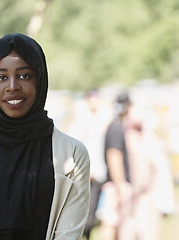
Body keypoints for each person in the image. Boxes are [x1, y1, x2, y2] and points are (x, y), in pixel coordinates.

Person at [0, 33, 90, 240]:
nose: (12, 86)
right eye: (1, 77)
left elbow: (67, 235)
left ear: (40, 80)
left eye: (24, 76)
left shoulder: (72, 155)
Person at [67, 89, 109, 239]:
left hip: (98, 171)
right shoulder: (82, 120)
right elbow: (73, 146)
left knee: (91, 214)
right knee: (85, 214)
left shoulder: (100, 118)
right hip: (87, 173)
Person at [99, 92, 133, 240]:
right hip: (115, 185)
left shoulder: (116, 126)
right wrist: (121, 186)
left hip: (117, 184)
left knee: (119, 223)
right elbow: (114, 157)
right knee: (111, 223)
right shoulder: (115, 128)